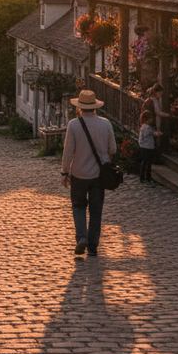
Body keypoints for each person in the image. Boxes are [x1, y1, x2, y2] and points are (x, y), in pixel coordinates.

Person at [60, 89, 117, 257]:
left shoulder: (74, 125)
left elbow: (68, 151)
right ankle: (93, 247)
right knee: (96, 210)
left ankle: (81, 238)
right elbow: (112, 148)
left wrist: (64, 172)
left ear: (80, 107)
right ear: (95, 107)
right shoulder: (105, 124)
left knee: (78, 207)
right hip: (99, 176)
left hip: (78, 174)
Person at [142, 82, 170, 153]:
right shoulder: (154, 100)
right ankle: (155, 154)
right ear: (156, 92)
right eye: (160, 93)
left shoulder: (148, 99)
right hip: (152, 121)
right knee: (153, 138)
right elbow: (158, 112)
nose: (161, 95)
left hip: (147, 121)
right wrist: (168, 115)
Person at [138, 109, 159, 183]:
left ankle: (143, 177)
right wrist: (156, 133)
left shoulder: (144, 127)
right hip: (147, 147)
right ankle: (147, 177)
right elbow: (151, 133)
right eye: (151, 118)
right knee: (147, 163)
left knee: (145, 162)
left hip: (144, 147)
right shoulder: (146, 127)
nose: (152, 120)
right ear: (147, 119)